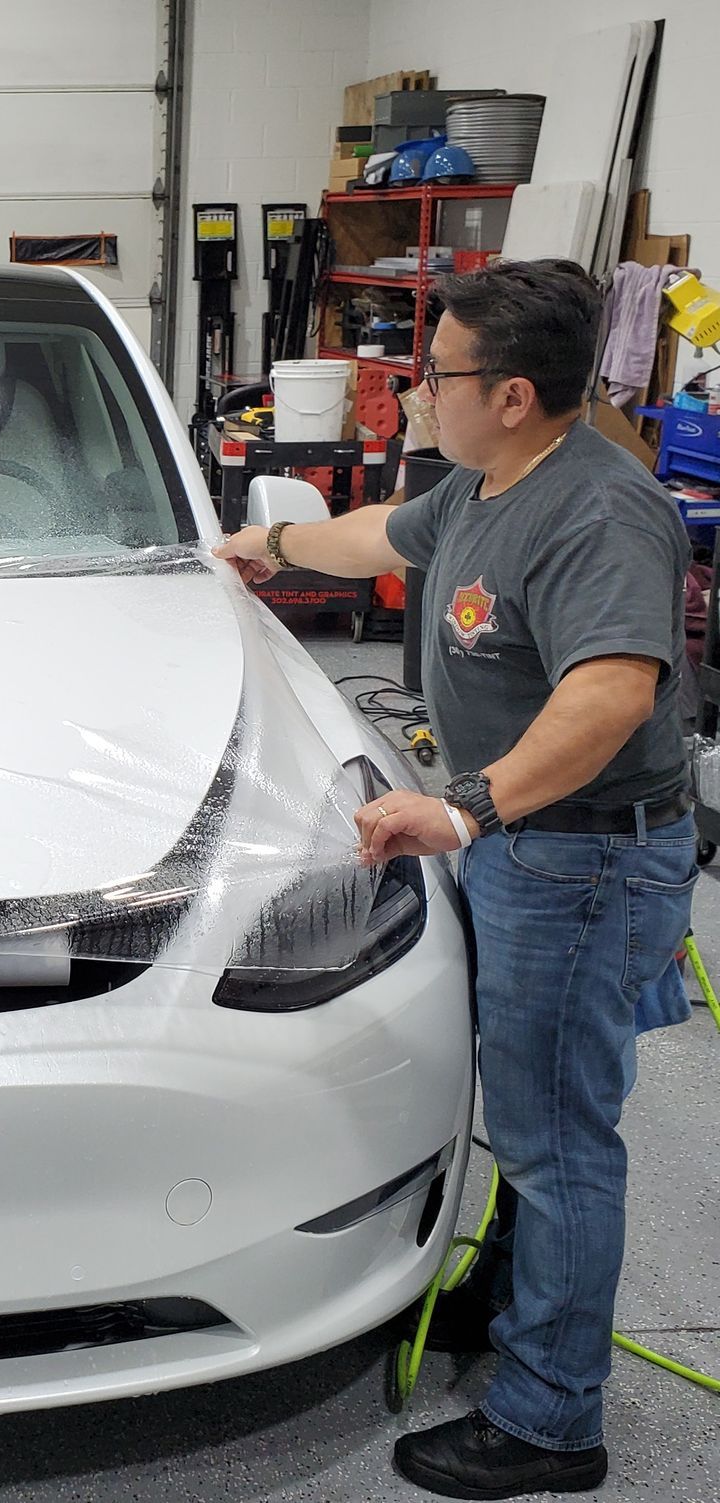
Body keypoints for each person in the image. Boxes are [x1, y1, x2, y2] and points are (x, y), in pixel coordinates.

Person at [217, 259, 695, 1500]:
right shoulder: (488, 482)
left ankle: (550, 1422)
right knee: (533, 1103)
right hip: (531, 848)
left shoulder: (598, 512)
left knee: (555, 1138)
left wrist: (465, 804)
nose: (420, 394)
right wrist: (261, 545)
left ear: (519, 392)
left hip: (582, 854)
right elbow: (378, 531)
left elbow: (611, 691)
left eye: (440, 376)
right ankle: (512, 1292)